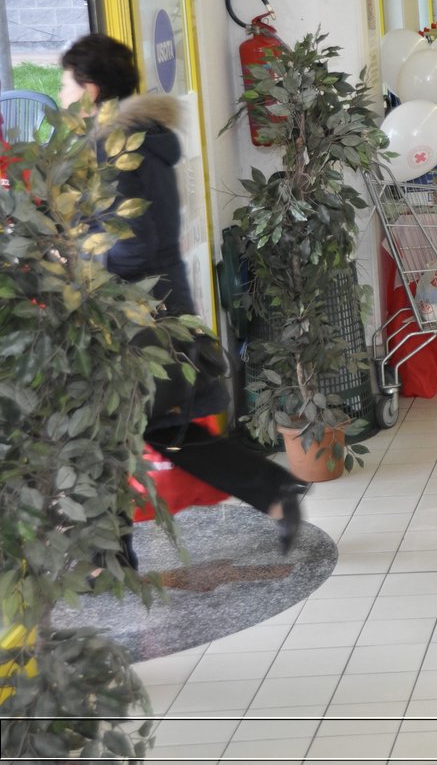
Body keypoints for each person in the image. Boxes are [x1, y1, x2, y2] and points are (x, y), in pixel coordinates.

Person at [58, 34, 310, 570]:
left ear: (90, 88)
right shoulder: (134, 140)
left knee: (110, 426)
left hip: (132, 312)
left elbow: (136, 240)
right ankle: (270, 490)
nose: (60, 91)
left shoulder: (119, 148)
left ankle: (109, 554)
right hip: (149, 306)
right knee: (150, 427)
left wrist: (83, 264)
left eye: (66, 81)